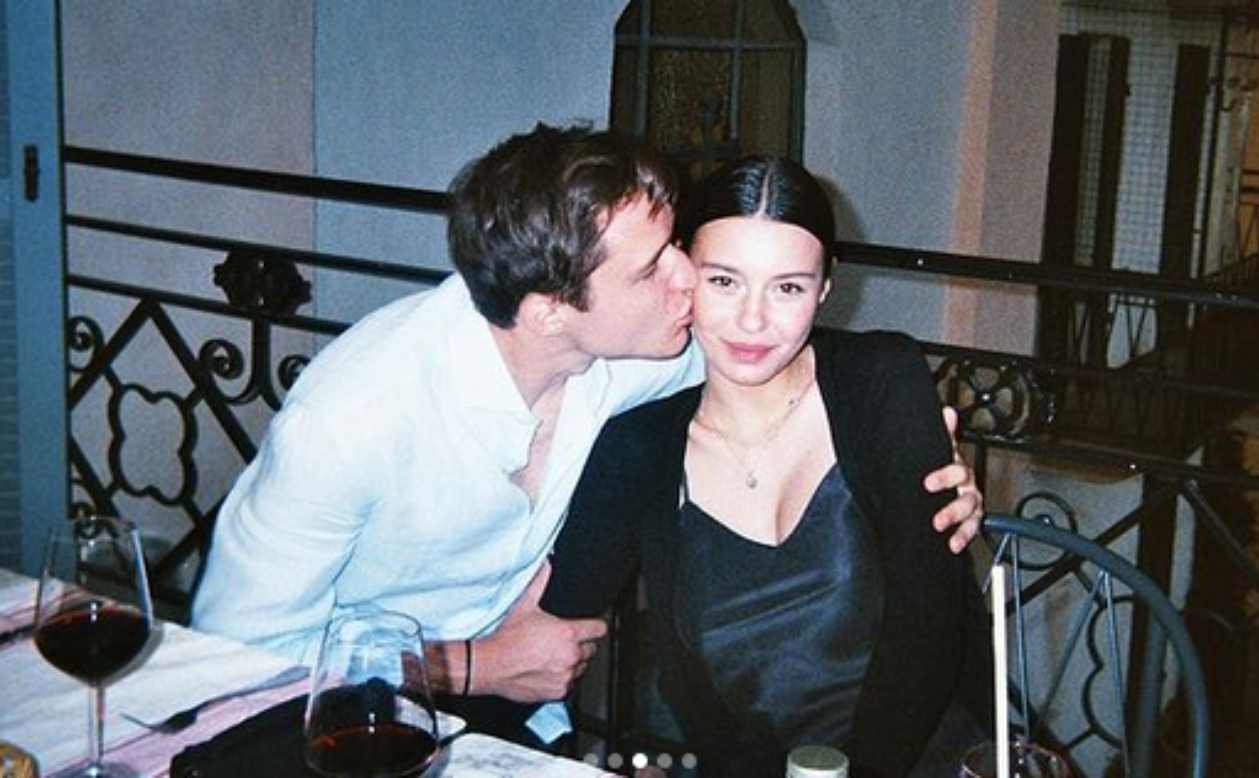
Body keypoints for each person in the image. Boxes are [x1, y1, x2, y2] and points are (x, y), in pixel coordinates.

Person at [191, 125, 984, 751]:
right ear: (549, 311)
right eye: (655, 268)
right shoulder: (350, 422)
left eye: (678, 248)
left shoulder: (634, 352)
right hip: (337, 727)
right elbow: (234, 659)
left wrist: (913, 441)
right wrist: (472, 666)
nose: (688, 279)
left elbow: (778, 347)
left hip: (517, 722)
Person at [543, 156, 993, 777]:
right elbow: (557, 616)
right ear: (683, 274)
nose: (752, 320)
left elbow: (929, 629)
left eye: (788, 288)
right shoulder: (637, 447)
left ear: (824, 290)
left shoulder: (881, 381)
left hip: (928, 760)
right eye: (724, 281)